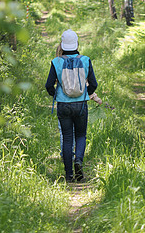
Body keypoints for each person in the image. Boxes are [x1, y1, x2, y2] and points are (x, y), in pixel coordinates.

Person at [45, 29, 101, 183]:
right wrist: (86, 93)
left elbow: (49, 85)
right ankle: (79, 162)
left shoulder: (56, 62)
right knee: (81, 135)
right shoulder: (85, 60)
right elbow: (94, 84)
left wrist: (56, 95)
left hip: (63, 105)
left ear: (62, 45)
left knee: (67, 138)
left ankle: (69, 174)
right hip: (81, 105)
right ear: (77, 43)